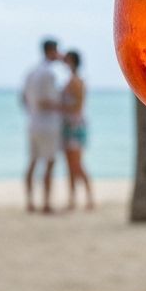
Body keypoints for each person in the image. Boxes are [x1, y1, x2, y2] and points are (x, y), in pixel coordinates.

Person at [21, 38, 62, 213]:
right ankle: (46, 203)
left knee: (32, 162)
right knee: (50, 163)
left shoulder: (31, 72)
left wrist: (32, 110)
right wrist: (67, 108)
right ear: (51, 51)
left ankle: (30, 202)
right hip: (48, 124)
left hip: (32, 123)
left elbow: (23, 99)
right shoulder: (49, 74)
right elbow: (48, 101)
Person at [61, 49, 94, 211]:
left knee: (77, 164)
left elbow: (78, 106)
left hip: (75, 125)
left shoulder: (77, 81)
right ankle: (73, 199)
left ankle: (89, 197)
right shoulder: (72, 80)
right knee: (70, 165)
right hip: (69, 125)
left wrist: (56, 107)